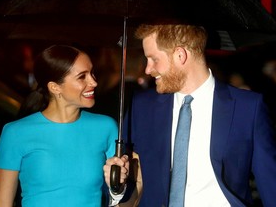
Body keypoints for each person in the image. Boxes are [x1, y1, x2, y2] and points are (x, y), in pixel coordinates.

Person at [108, 23, 276, 206]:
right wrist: (117, 186)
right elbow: (127, 182)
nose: (148, 69)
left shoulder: (248, 107)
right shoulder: (141, 107)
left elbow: (270, 183)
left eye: (153, 59)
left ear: (180, 55)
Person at [0, 45, 129, 207]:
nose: (94, 82)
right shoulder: (15, 132)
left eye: (92, 73)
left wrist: (120, 184)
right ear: (55, 87)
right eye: (82, 77)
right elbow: (2, 202)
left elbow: (123, 199)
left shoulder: (106, 127)